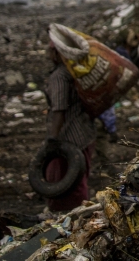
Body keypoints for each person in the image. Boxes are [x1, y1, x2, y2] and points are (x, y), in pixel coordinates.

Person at [42, 38, 96, 211]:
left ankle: (73, 215)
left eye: (50, 51)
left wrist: (53, 139)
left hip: (69, 138)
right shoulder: (75, 72)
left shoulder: (59, 76)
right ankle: (80, 212)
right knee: (79, 180)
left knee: (64, 180)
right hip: (84, 134)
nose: (48, 54)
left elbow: (59, 109)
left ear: (57, 54)